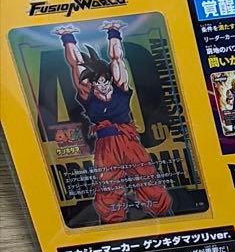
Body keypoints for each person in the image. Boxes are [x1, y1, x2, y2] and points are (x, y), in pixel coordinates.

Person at [56, 22, 171, 223]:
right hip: (106, 145)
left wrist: (113, 33)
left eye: (104, 80)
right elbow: (76, 65)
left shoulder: (120, 88)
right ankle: (112, 221)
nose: (101, 84)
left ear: (109, 79)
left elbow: (117, 59)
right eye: (96, 82)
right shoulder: (88, 94)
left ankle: (163, 214)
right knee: (108, 184)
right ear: (92, 83)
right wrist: (67, 38)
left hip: (128, 140)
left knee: (145, 175)